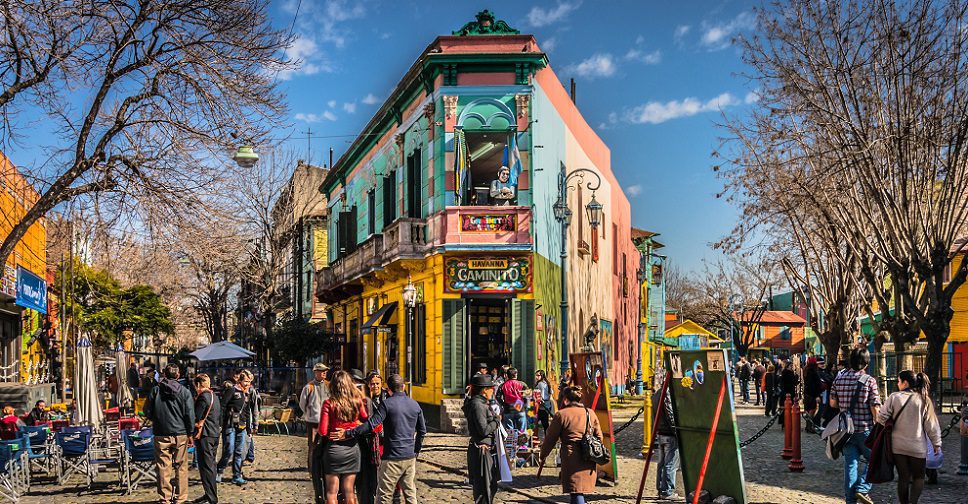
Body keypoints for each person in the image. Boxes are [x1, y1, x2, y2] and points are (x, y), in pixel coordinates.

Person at [332, 374, 426, 504]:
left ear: (388, 389)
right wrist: (416, 451)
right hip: (409, 457)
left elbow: (371, 425)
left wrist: (348, 433)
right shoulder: (415, 405)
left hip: (392, 457)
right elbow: (422, 431)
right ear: (403, 387)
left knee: (384, 496)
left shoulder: (387, 404)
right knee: (410, 495)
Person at [876, 370, 941, 504]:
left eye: (898, 381)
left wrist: (890, 422)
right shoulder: (924, 399)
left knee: (903, 477)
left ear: (905, 382)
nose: (897, 384)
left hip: (898, 446)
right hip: (918, 446)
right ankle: (913, 502)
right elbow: (931, 425)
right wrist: (936, 443)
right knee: (919, 477)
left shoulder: (894, 397)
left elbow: (881, 418)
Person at [829, 346, 881, 504]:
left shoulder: (839, 378)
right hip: (865, 429)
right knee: (876, 459)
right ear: (866, 363)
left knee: (850, 465)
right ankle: (862, 488)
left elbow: (832, 403)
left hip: (846, 431)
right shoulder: (870, 381)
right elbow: (875, 408)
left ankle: (850, 501)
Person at [539, 386, 604, 504]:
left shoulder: (561, 415)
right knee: (579, 490)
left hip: (571, 456)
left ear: (565, 400)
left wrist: (543, 454)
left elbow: (550, 438)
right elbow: (599, 437)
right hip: (588, 456)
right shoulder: (590, 413)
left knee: (576, 491)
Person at [144, 363, 195, 504]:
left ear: (164, 375)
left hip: (161, 432)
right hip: (180, 433)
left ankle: (165, 498)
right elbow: (190, 414)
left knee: (163, 466)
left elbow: (147, 411)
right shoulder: (184, 392)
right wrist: (191, 433)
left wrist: (156, 419)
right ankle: (181, 497)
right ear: (178, 375)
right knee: (181, 467)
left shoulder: (156, 391)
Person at [319, 370, 368, 504]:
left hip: (334, 450)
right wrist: (353, 426)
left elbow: (322, 431)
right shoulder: (357, 401)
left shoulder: (329, 403)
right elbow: (365, 419)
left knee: (331, 492)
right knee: (349, 491)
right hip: (352, 449)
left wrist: (332, 431)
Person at [463, 373, 500, 504]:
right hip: (481, 451)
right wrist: (496, 421)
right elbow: (483, 429)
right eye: (491, 388)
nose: (493, 390)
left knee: (490, 486)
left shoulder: (481, 403)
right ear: (484, 390)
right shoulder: (478, 405)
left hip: (485, 450)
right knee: (484, 489)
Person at [217, 369, 256, 485]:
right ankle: (219, 470)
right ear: (240, 380)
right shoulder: (232, 390)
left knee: (239, 452)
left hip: (242, 426)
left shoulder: (248, 393)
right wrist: (220, 424)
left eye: (249, 382)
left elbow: (247, 412)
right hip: (229, 425)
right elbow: (222, 406)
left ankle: (236, 475)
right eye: (246, 381)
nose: (248, 384)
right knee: (229, 449)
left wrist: (250, 428)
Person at [357, 371, 387, 504]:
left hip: (383, 441)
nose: (375, 386)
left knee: (382, 475)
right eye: (372, 383)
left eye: (377, 383)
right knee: (367, 476)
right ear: (368, 385)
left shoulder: (386, 398)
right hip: (366, 441)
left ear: (381, 384)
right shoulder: (364, 400)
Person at [193, 374, 221, 504]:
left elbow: (196, 416)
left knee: (206, 466)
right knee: (210, 466)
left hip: (205, 435)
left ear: (198, 385)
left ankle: (211, 497)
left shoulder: (203, 397)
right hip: (214, 433)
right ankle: (209, 494)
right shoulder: (214, 396)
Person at [300, 363, 330, 471]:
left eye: (325, 371)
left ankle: (323, 468)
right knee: (312, 446)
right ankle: (312, 469)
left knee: (326, 445)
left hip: (327, 422)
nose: (324, 373)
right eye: (322, 371)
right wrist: (310, 413)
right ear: (316, 372)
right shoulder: (309, 387)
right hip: (313, 422)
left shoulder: (328, 385)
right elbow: (302, 404)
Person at [652, 385, 679, 499]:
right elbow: (670, 413)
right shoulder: (666, 393)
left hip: (661, 432)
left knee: (662, 463)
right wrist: (676, 430)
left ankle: (661, 488)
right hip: (669, 433)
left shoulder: (657, 393)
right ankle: (667, 491)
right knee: (670, 463)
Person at [498, 367, 528, 433]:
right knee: (522, 430)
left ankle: (511, 443)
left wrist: (503, 404)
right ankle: (522, 443)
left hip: (508, 408)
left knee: (510, 431)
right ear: (516, 374)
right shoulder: (522, 384)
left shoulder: (502, 385)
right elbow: (527, 397)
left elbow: (498, 397)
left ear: (507, 375)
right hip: (519, 406)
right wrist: (524, 405)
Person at [803, 358, 823, 433]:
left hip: (807, 393)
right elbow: (814, 385)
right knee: (812, 410)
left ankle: (808, 426)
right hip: (812, 394)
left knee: (808, 410)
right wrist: (817, 395)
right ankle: (810, 426)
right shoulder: (812, 372)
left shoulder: (806, 370)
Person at [778, 359, 800, 426]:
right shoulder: (787, 373)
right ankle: (785, 422)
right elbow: (792, 382)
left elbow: (794, 382)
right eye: (791, 366)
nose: (792, 367)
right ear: (787, 366)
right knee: (787, 408)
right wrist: (796, 377)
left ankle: (785, 422)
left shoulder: (787, 373)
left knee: (787, 407)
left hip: (788, 392)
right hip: (788, 392)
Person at [533, 370, 554, 436]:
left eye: (538, 375)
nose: (536, 377)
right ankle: (547, 438)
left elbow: (540, 397)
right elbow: (551, 392)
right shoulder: (546, 383)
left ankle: (539, 438)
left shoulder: (540, 384)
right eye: (536, 375)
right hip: (547, 405)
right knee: (545, 424)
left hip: (542, 406)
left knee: (535, 423)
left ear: (542, 376)